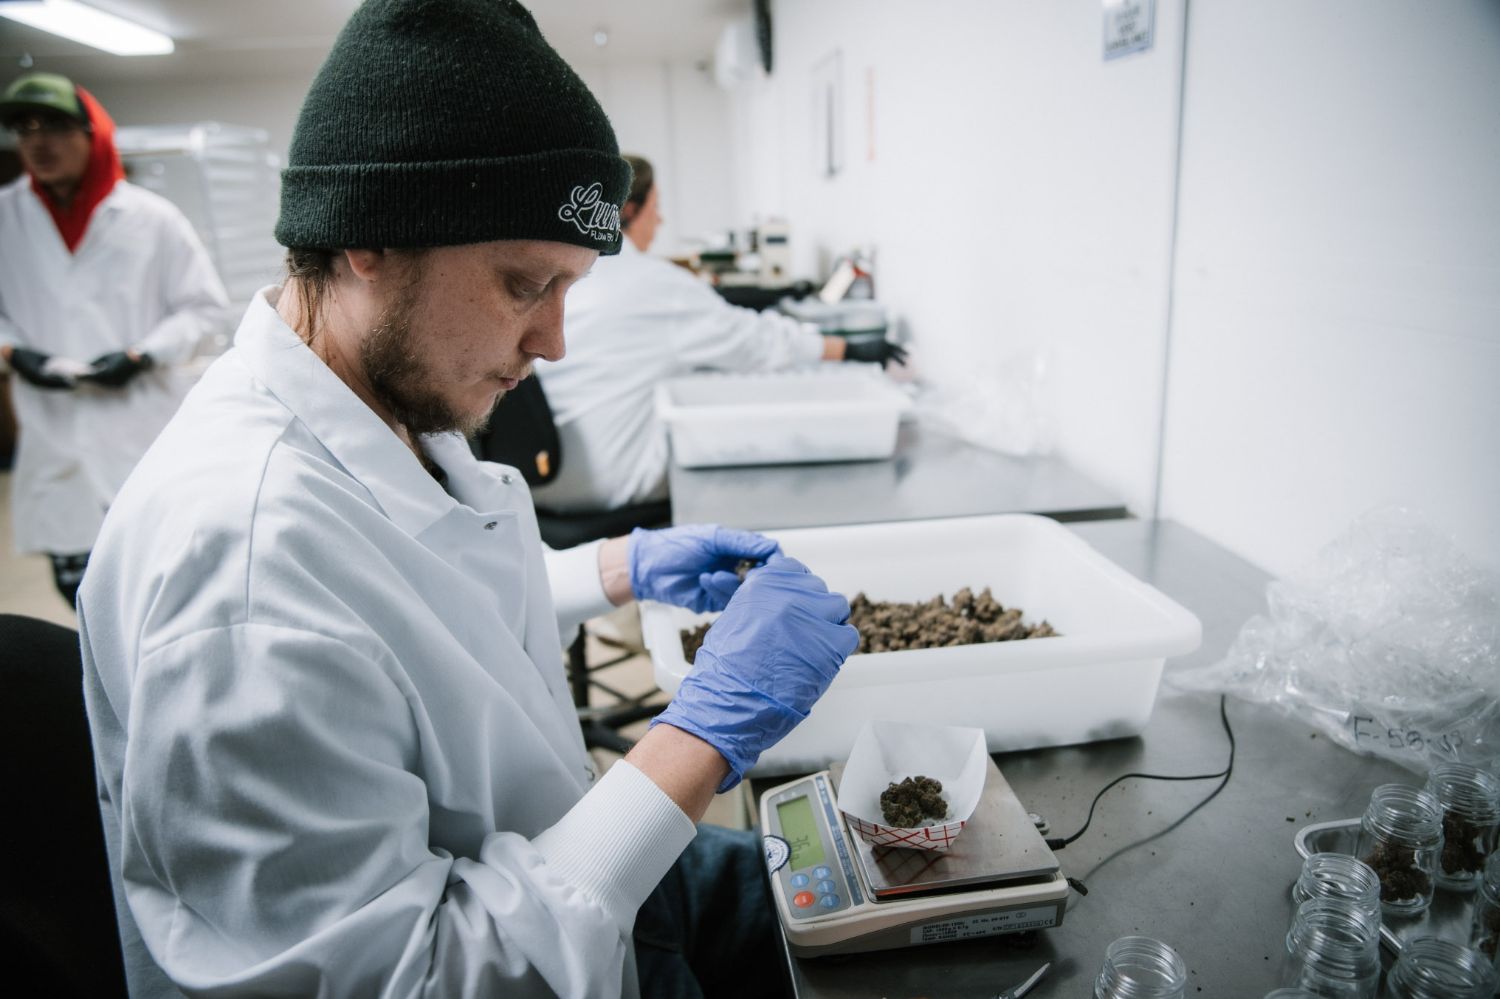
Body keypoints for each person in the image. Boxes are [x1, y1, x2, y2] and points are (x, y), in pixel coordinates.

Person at [78, 2, 858, 997]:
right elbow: (420, 975)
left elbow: (408, 613)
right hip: (531, 944)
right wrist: (699, 739)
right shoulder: (242, 575)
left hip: (557, 868)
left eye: (568, 288)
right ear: (371, 237)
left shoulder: (375, 414)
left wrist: (609, 569)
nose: (554, 342)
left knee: (884, 911)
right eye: (525, 283)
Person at [531, 154, 908, 513]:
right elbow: (754, 342)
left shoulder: (566, 277)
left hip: (538, 478)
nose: (660, 221)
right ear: (629, 211)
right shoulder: (656, 285)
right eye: (656, 207)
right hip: (609, 483)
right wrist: (848, 348)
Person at [0, 72, 229, 606]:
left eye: (55, 126)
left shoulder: (152, 219)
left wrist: (142, 354)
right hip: (56, 434)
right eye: (24, 128)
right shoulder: (5, 216)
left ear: (92, 134)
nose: (38, 142)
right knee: (84, 595)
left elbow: (203, 309)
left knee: (164, 583)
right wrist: (13, 352)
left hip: (140, 424)